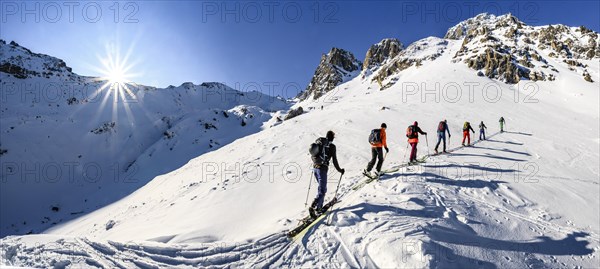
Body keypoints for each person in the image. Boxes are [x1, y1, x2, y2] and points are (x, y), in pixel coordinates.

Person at [310, 131, 345, 217]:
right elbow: (335, 161)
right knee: (322, 190)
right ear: (332, 138)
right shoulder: (332, 147)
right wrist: (340, 170)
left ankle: (319, 206)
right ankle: (315, 206)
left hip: (315, 168)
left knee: (321, 188)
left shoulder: (321, 144)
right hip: (322, 169)